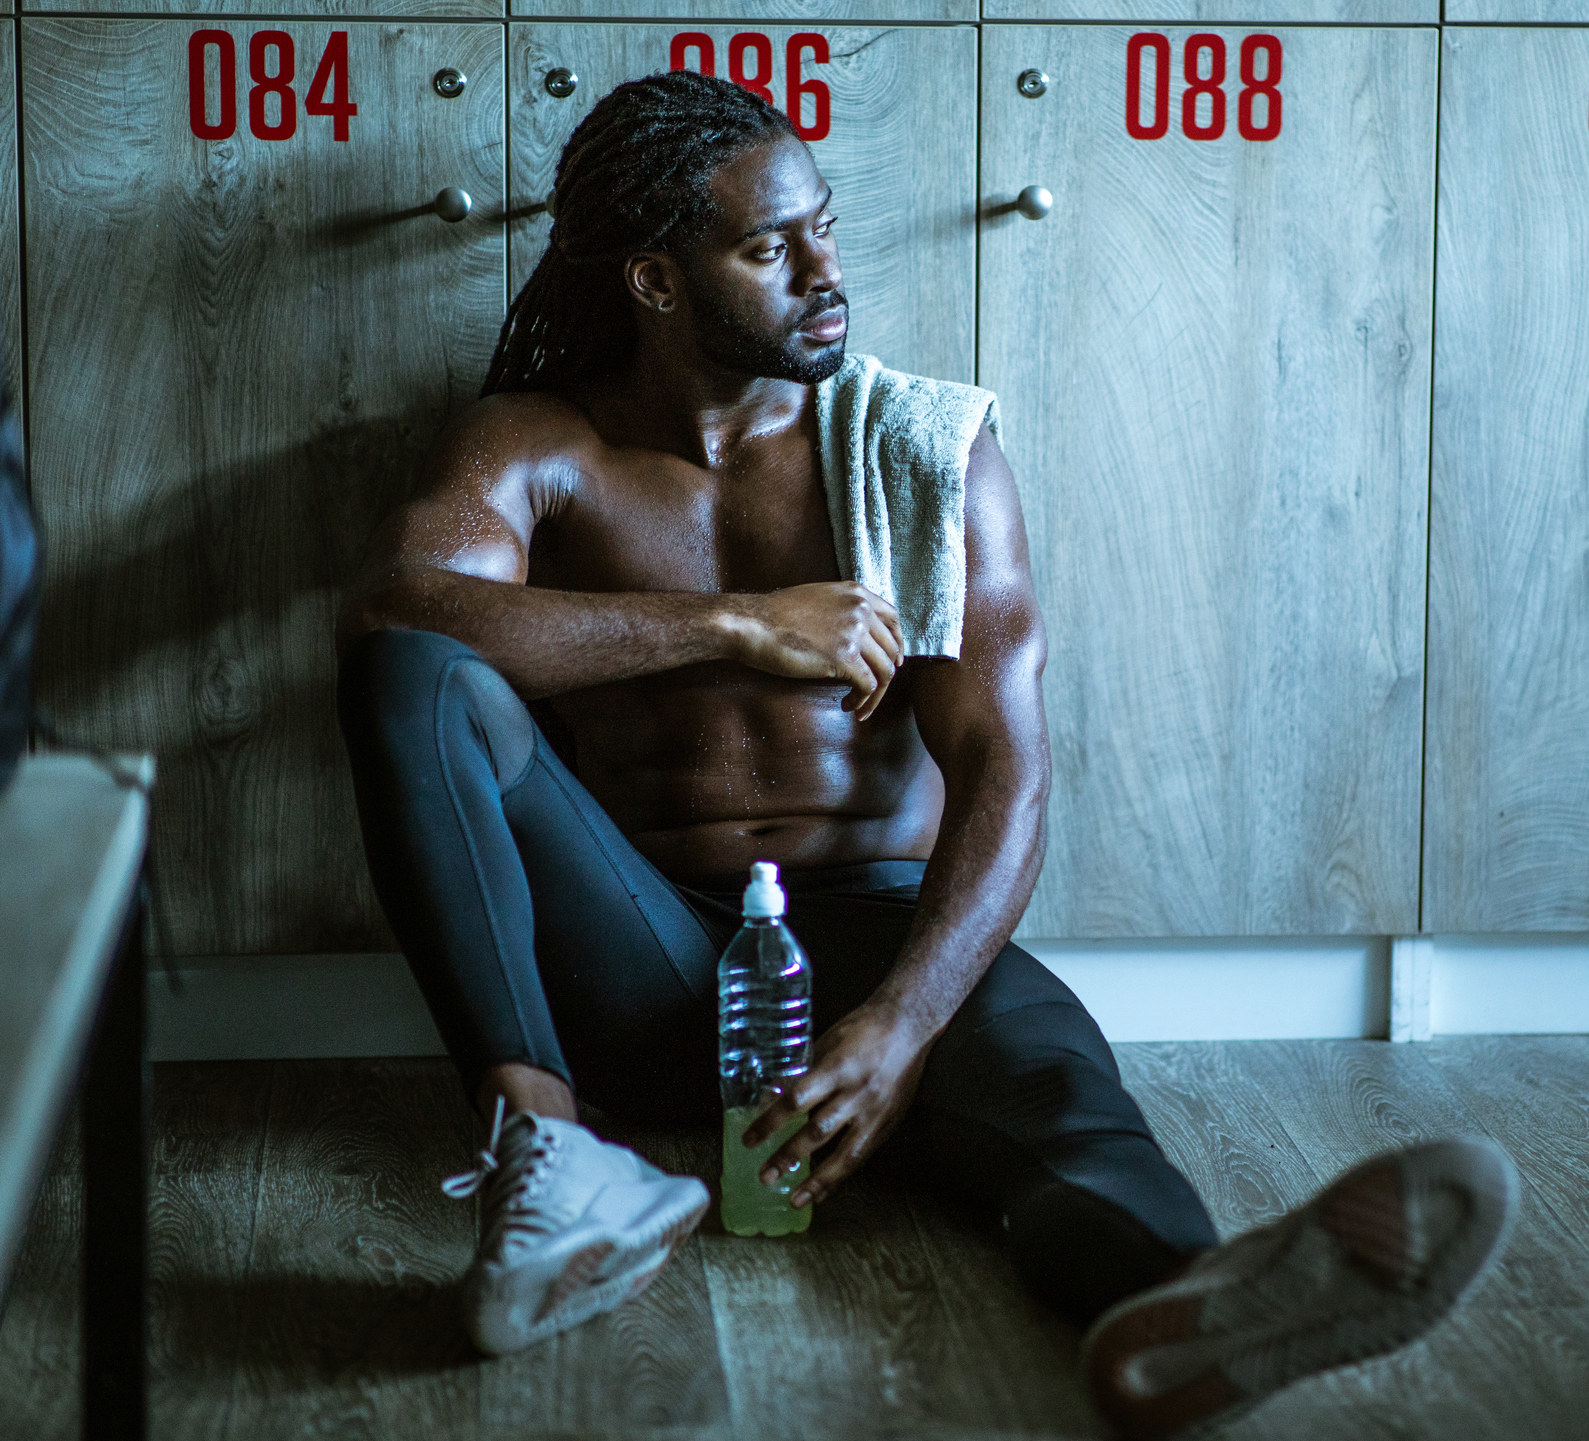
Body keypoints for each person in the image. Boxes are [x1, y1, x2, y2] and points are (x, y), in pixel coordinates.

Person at [335, 69, 1517, 1439]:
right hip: (641, 956)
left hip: (879, 932)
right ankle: (548, 1149)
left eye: (823, 226)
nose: (823, 270)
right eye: (768, 247)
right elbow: (398, 616)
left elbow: (1006, 765)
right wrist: (737, 626)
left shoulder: (923, 449)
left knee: (1064, 1108)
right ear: (657, 281)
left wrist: (899, 1027)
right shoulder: (542, 445)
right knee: (419, 678)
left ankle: (1181, 1306)